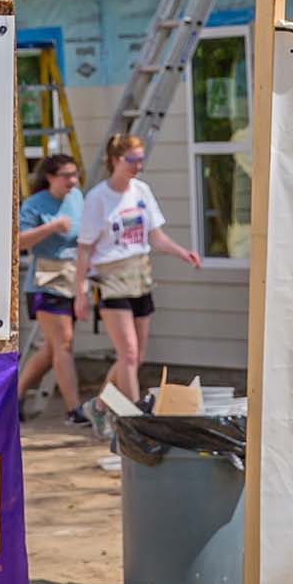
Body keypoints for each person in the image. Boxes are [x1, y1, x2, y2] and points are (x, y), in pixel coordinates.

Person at [74, 132, 200, 408]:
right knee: (128, 352)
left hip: (140, 275)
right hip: (111, 278)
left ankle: (99, 406)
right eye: (133, 160)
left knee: (135, 355)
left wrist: (182, 253)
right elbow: (84, 247)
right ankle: (134, 414)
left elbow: (155, 236)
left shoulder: (141, 191)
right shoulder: (98, 198)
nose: (138, 166)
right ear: (117, 160)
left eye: (141, 160)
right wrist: (80, 292)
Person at [14, 154, 88, 424]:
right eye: (66, 175)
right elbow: (19, 241)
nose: (72, 180)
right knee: (64, 344)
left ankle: (16, 395)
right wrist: (51, 227)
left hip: (73, 278)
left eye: (74, 174)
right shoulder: (35, 204)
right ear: (50, 177)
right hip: (45, 280)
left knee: (52, 349)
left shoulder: (77, 197)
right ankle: (74, 410)